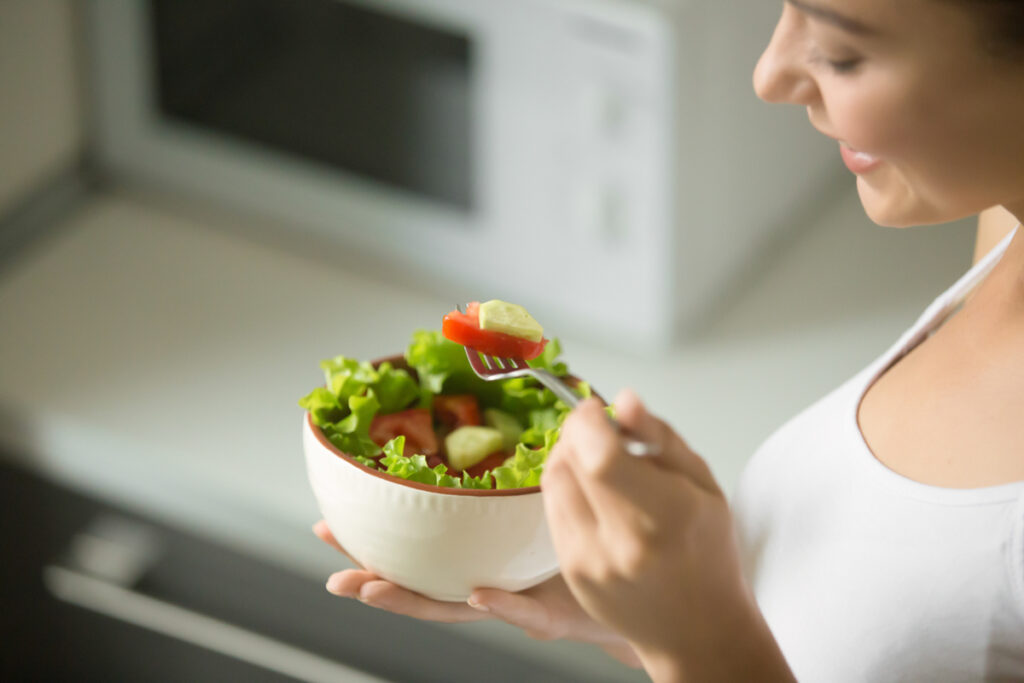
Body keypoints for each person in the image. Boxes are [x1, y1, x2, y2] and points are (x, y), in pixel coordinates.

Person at [314, 0, 1024, 679]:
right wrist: (634, 608)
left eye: (842, 52)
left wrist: (699, 638)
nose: (769, 74)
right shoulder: (1006, 220)